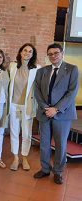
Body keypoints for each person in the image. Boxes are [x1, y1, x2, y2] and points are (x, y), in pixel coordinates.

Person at [33, 43, 79, 184]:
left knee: (60, 144)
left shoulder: (72, 69)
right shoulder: (42, 71)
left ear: (62, 53)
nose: (53, 56)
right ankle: (45, 169)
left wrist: (56, 109)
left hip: (62, 114)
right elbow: (37, 90)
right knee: (44, 143)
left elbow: (72, 92)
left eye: (56, 53)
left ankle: (58, 172)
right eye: (50, 54)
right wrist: (46, 108)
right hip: (45, 113)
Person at [8, 43, 40, 171]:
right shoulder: (12, 66)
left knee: (26, 133)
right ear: (20, 52)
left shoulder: (37, 68)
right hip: (14, 104)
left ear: (33, 54)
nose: (27, 53)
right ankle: (15, 158)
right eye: (25, 50)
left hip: (28, 105)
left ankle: (25, 157)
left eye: (30, 51)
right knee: (14, 132)